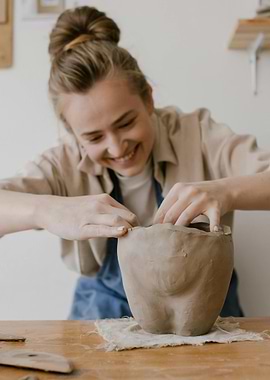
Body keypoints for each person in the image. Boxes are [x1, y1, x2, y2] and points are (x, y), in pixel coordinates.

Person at [0, 6, 270, 320]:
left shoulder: (197, 133)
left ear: (149, 99)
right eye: (94, 137)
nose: (117, 146)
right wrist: (46, 210)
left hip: (204, 312)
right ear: (72, 133)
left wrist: (225, 192)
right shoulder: (62, 162)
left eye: (126, 123)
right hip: (101, 314)